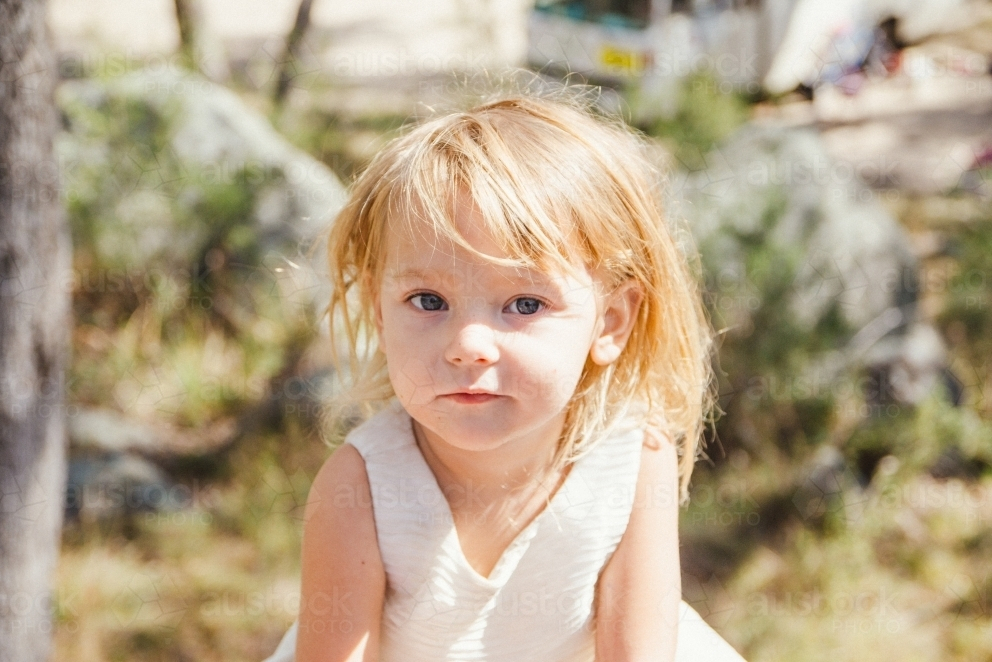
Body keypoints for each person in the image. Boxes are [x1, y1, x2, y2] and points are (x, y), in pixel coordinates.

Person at [263, 91, 747, 662]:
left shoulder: (632, 459)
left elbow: (637, 652)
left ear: (609, 322)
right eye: (427, 300)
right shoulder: (360, 487)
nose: (468, 346)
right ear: (377, 311)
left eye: (523, 304)